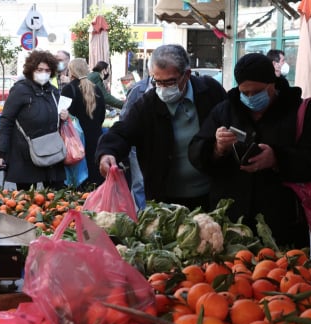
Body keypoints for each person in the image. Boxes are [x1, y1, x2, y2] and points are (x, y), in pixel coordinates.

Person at [188, 53, 311, 249]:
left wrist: (277, 159)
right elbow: (196, 151)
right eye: (244, 93)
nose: (250, 98)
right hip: (232, 222)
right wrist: (216, 148)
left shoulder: (299, 110)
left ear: (272, 83)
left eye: (257, 92)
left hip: (282, 222)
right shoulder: (225, 110)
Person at [96, 44, 227, 211]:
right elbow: (123, 130)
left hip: (211, 195)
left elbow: (231, 118)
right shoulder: (148, 104)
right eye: (157, 81)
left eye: (170, 82)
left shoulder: (210, 91)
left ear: (186, 75)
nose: (163, 88)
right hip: (166, 200)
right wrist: (107, 151)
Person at [0, 50, 68, 191]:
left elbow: (56, 117)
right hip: (24, 154)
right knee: (26, 201)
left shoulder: (53, 91)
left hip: (51, 152)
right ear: (31, 69)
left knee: (57, 198)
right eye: (39, 69)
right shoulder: (20, 90)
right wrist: (1, 153)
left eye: (47, 70)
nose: (43, 73)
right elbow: (6, 121)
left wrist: (64, 116)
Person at [61, 58, 106, 187]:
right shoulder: (96, 88)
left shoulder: (68, 89)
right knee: (94, 178)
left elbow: (62, 115)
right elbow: (102, 115)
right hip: (95, 138)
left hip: (75, 140)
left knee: (78, 178)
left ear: (71, 71)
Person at [118, 63, 153, 211]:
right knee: (139, 182)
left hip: (161, 145)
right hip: (138, 146)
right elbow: (124, 118)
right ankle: (142, 214)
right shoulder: (138, 90)